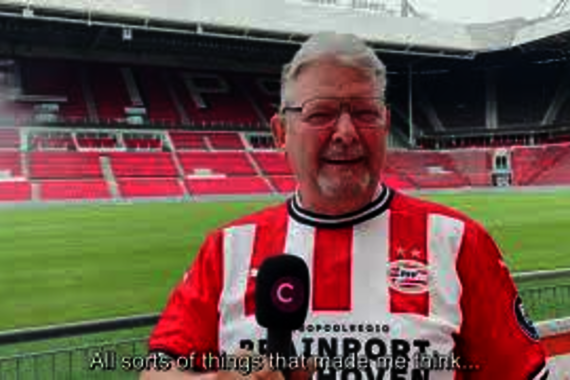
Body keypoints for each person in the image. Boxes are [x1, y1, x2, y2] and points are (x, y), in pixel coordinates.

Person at [141, 32, 549, 380]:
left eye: (365, 113)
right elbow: (157, 370)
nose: (346, 132)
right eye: (320, 113)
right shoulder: (227, 249)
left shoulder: (459, 243)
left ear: (386, 126)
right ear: (281, 133)